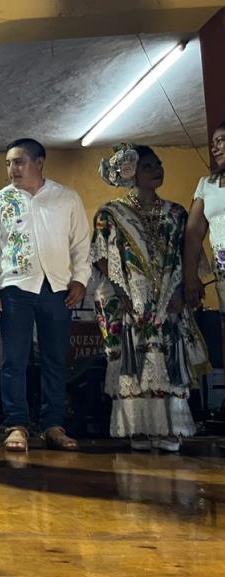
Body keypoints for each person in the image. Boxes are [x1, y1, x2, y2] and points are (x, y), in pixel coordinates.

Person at [92, 143, 210, 452]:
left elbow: (190, 257)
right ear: (130, 173)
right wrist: (123, 296)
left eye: (159, 165)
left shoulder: (176, 214)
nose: (157, 170)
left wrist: (184, 292)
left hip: (169, 298)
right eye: (148, 166)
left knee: (168, 360)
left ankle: (171, 429)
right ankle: (140, 430)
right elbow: (101, 258)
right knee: (135, 361)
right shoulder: (110, 214)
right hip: (130, 299)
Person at [0, 138, 90, 453]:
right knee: (14, 359)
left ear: (39, 163)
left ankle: (53, 424)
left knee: (55, 359)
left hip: (57, 289)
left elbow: (81, 244)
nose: (13, 168)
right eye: (9, 163)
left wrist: (80, 280)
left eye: (19, 161)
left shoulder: (66, 198)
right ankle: (17, 424)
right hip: (14, 289)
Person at [184, 120, 225, 321]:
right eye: (213, 143)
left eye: (221, 141)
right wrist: (191, 276)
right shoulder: (207, 185)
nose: (214, 148)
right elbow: (193, 234)